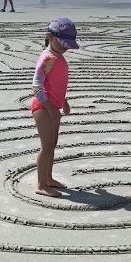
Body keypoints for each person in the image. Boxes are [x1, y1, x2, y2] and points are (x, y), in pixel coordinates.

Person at [30, 18, 78, 197]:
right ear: (50, 37)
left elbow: (57, 84)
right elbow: (36, 87)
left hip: (53, 108)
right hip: (43, 107)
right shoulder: (48, 58)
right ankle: (41, 184)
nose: (66, 48)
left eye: (68, 45)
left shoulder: (58, 56)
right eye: (63, 43)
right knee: (46, 145)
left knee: (52, 144)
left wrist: (63, 101)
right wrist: (50, 108)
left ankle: (48, 178)